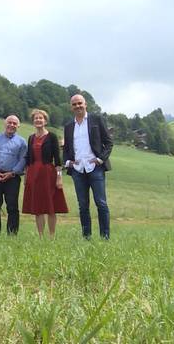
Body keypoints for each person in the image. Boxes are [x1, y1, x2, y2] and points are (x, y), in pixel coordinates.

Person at [63, 94, 113, 239]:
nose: (77, 106)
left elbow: (109, 142)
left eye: (80, 103)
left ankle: (105, 237)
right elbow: (66, 148)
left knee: (101, 203)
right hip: (78, 170)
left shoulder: (96, 120)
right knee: (83, 206)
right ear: (71, 107)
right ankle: (87, 237)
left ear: (85, 105)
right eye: (74, 104)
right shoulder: (68, 126)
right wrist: (68, 162)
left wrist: (100, 159)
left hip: (95, 168)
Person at [22, 109, 69, 238]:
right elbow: (28, 158)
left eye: (40, 118)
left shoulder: (52, 137)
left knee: (50, 206)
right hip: (33, 173)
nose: (38, 120)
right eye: (36, 118)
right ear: (33, 121)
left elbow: (57, 160)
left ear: (45, 121)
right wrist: (26, 177)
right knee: (38, 207)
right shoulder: (31, 138)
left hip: (48, 173)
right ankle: (41, 236)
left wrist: (59, 178)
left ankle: (52, 236)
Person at [0, 115, 27, 235]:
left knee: (12, 206)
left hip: (12, 177)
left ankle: (12, 234)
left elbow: (23, 160)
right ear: (4, 123)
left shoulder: (22, 142)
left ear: (18, 126)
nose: (11, 125)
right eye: (9, 122)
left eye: (14, 123)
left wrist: (12, 172)